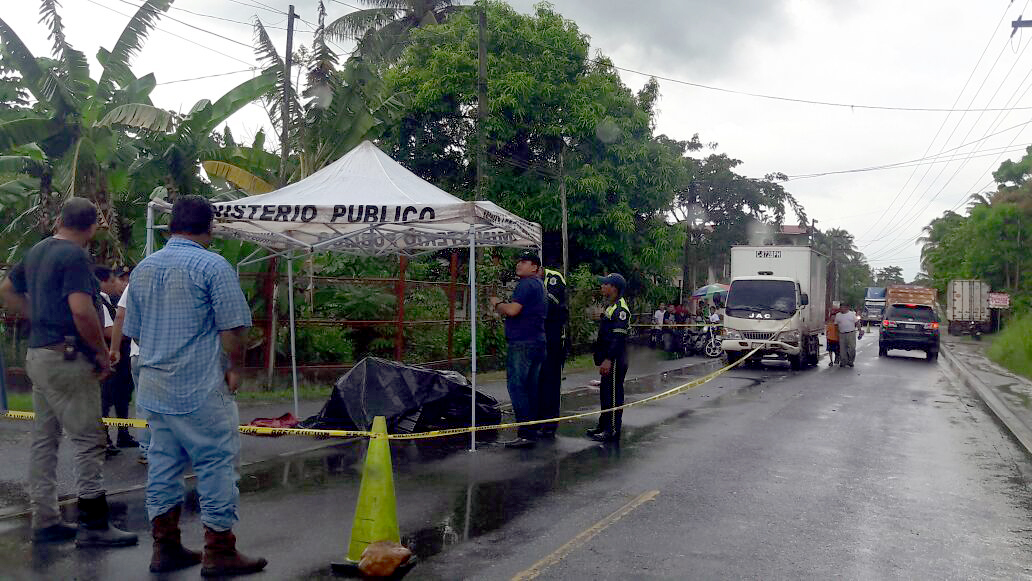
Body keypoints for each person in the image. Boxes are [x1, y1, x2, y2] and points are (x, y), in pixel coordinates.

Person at [124, 195, 266, 575]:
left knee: (163, 465)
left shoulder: (143, 268)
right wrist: (234, 366)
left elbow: (133, 331)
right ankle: (219, 550)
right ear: (210, 228)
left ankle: (164, 546)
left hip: (153, 387)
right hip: (199, 386)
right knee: (216, 463)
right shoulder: (213, 266)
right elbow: (234, 325)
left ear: (171, 226)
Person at [0, 198, 138, 548]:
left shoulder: (38, 251)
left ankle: (45, 520)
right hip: (67, 357)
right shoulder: (76, 257)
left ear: (60, 220)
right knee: (89, 438)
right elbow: (81, 311)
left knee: (45, 439)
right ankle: (93, 523)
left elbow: (5, 291)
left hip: (39, 355)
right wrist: (100, 354)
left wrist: (37, 315)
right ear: (93, 226)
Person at [489, 252, 547, 449]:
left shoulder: (526, 284)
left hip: (523, 342)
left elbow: (513, 310)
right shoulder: (539, 285)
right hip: (538, 341)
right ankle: (531, 430)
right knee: (530, 388)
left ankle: (525, 433)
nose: (518, 264)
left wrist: (497, 303)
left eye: (524, 262)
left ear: (534, 267)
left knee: (517, 387)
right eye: (518, 261)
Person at [95, 265, 138, 452]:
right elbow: (108, 330)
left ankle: (123, 434)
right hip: (112, 357)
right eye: (117, 280)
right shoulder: (100, 301)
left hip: (123, 358)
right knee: (105, 399)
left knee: (122, 397)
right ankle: (103, 440)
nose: (121, 284)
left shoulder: (112, 301)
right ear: (102, 282)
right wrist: (127, 332)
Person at [587, 273, 630, 443]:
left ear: (614, 288)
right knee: (605, 394)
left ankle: (611, 430)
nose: (602, 287)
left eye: (605, 284)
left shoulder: (620, 310)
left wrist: (608, 359)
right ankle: (603, 425)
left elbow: (617, 338)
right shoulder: (611, 306)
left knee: (613, 395)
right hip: (609, 357)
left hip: (616, 359)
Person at [110, 283, 149, 464]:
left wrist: (115, 349)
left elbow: (120, 315)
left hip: (138, 353)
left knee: (143, 404)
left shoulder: (139, 279)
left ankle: (146, 449)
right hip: (169, 355)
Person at [536, 266, 568, 439]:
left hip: (554, 339)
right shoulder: (529, 281)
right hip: (538, 338)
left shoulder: (553, 278)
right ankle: (538, 420)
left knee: (551, 382)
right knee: (538, 381)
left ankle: (549, 424)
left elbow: (550, 303)